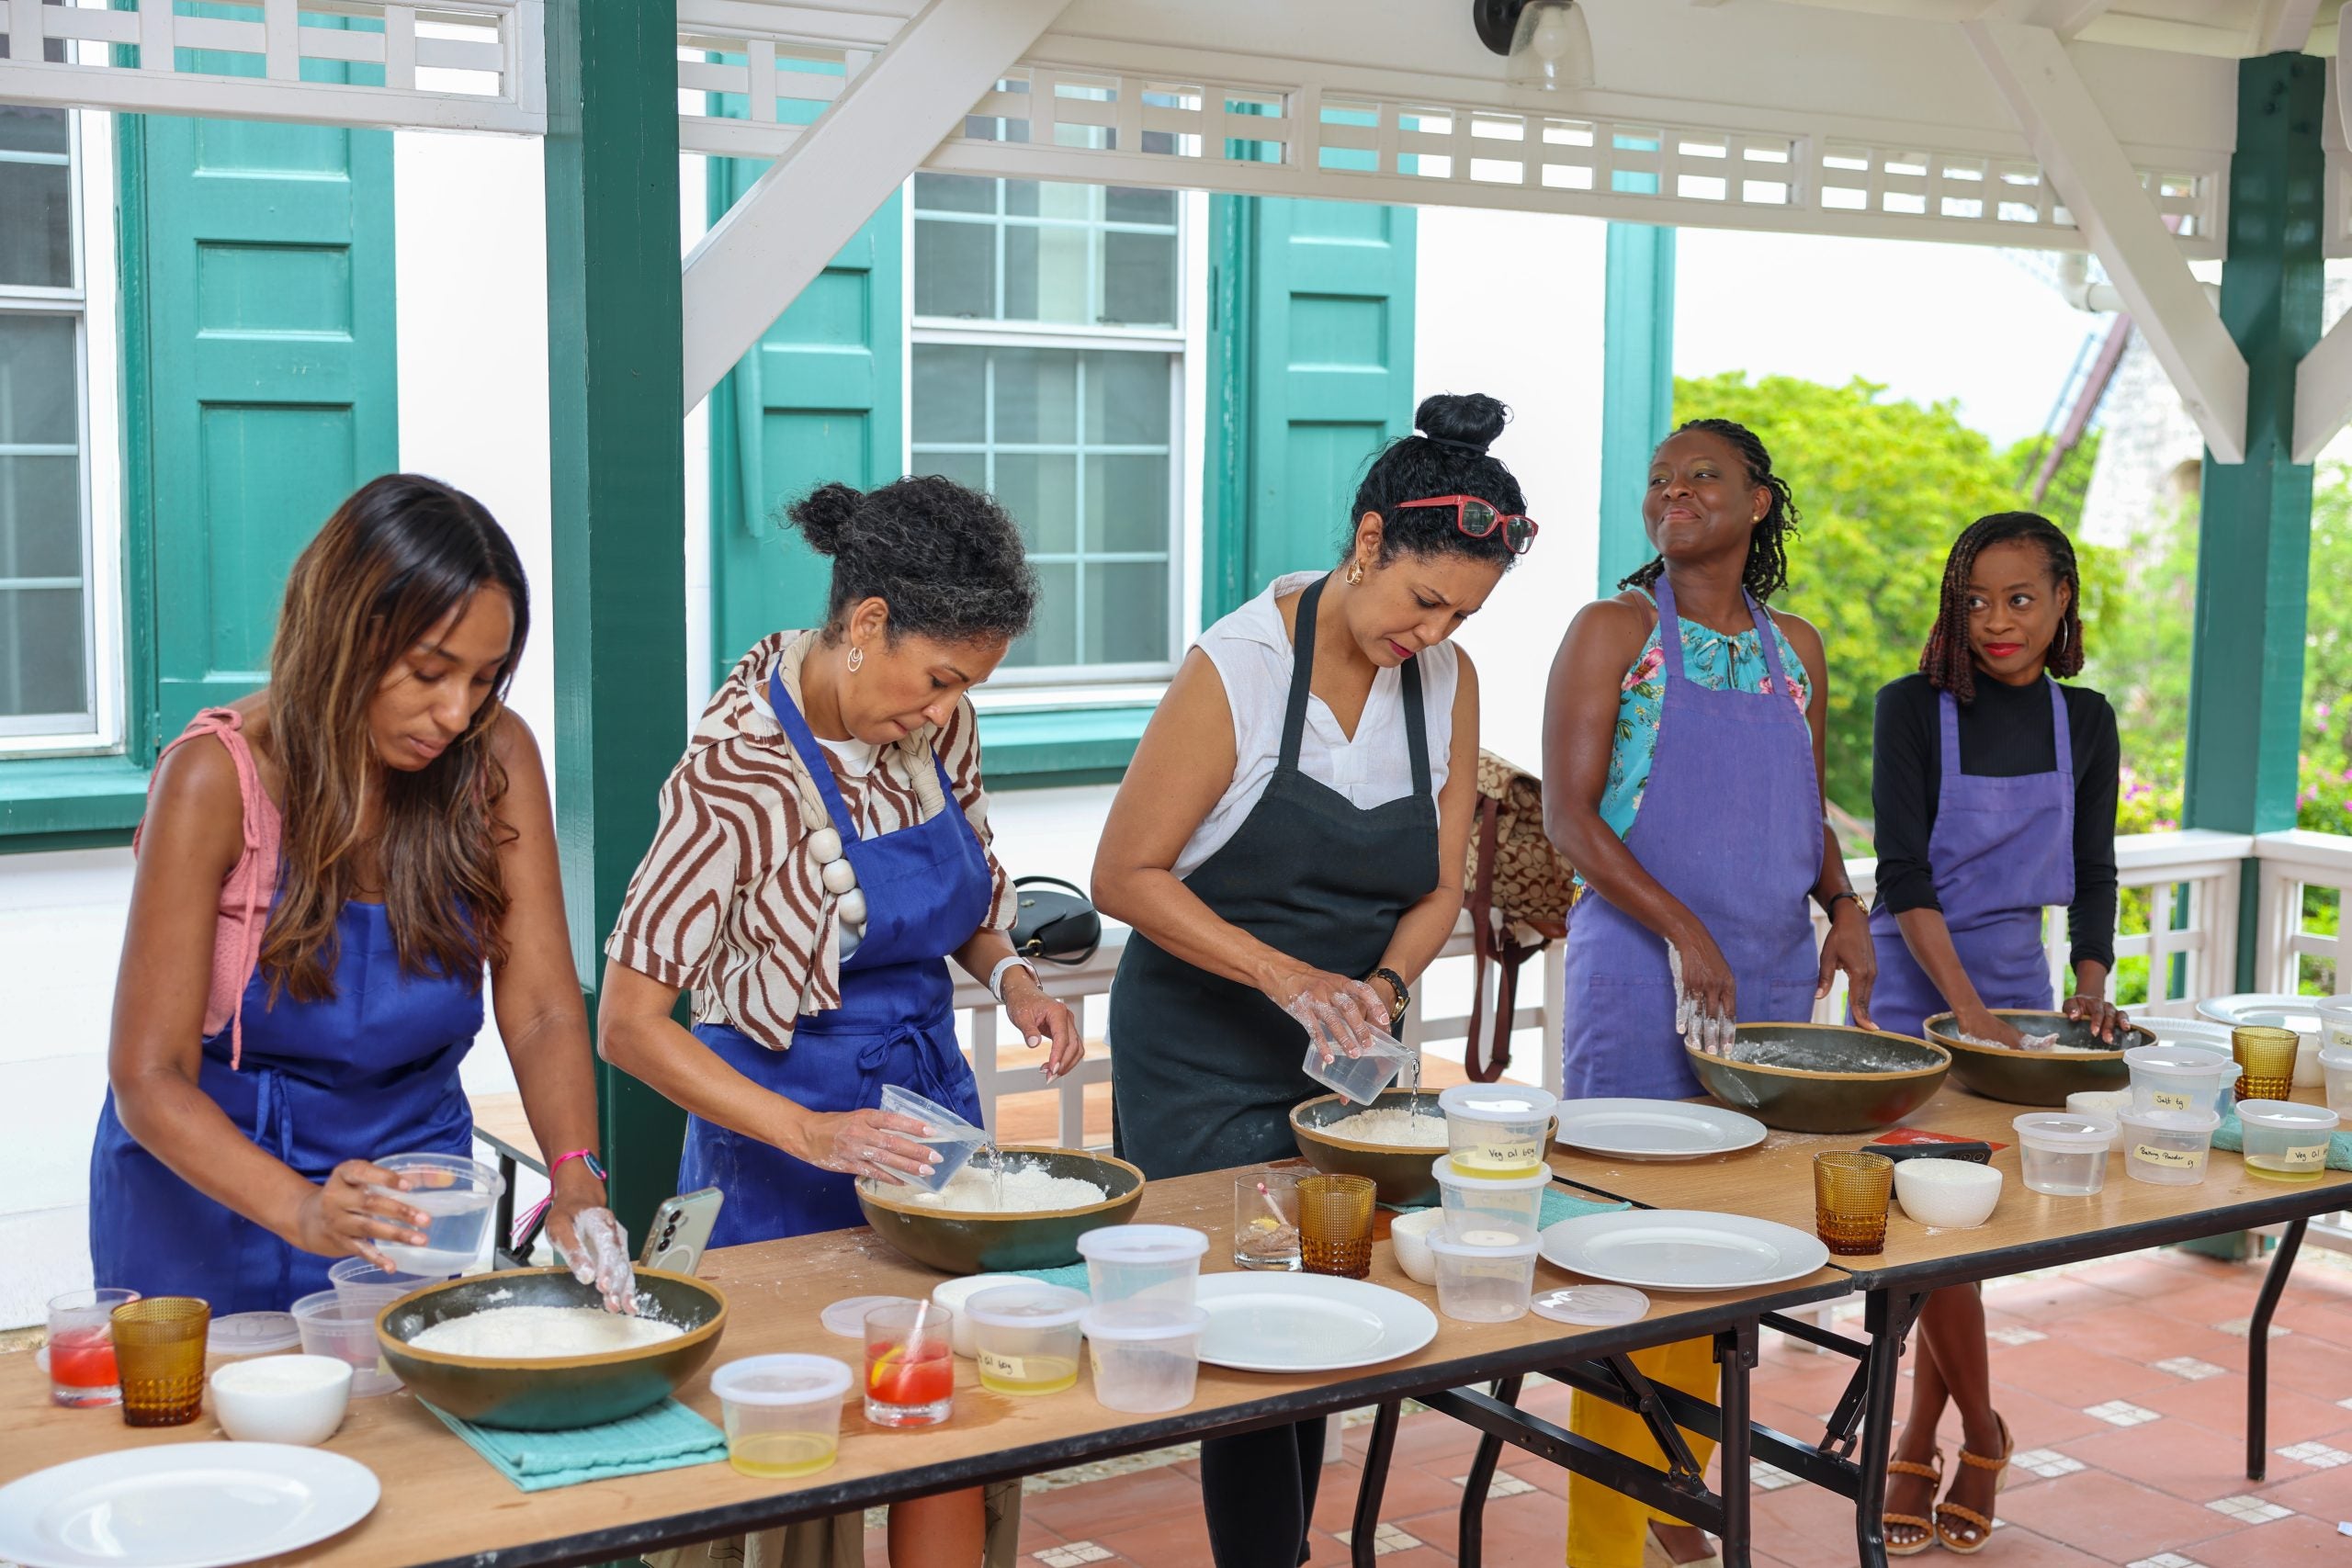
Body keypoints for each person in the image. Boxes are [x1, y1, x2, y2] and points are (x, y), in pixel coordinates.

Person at [600, 476, 1081, 1568]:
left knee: (945, 1413)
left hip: (925, 1125)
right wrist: (812, 1134)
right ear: (867, 626)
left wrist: (1011, 980)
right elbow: (628, 1024)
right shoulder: (735, 778)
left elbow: (968, 900)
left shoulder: (934, 731)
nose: (945, 707)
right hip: (779, 1145)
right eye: (938, 678)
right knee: (797, 1456)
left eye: (967, 687)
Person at [1092, 392, 1531, 1568]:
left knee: (1328, 1309)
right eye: (1423, 600)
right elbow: (1123, 876)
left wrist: (1380, 989)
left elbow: (1440, 885)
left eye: (1462, 615)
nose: (1433, 634)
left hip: (1340, 1052)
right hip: (1198, 1044)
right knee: (1247, 1336)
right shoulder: (1236, 667)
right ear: (1369, 541)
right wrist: (1285, 976)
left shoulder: (1446, 679)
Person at [94, 475, 634, 1318]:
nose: (456, 712)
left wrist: (576, 1175)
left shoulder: (495, 762)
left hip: (410, 1197)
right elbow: (147, 1074)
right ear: (347, 634)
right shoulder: (213, 781)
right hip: (209, 1201)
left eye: (485, 679)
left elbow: (539, 1008)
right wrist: (302, 1208)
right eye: (428, 671)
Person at [1543, 418, 1874, 1568]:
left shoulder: (1797, 649)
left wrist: (1846, 906)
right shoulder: (1613, 631)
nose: (1672, 491)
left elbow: (1807, 807)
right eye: (1657, 477)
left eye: (1702, 475)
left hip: (1772, 984)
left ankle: (1679, 1496)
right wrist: (1682, 930)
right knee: (1628, 1257)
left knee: (1732, 1250)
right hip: (1642, 976)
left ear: (1760, 501)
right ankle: (1606, 1535)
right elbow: (1568, 819)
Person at [1868, 511, 2121, 1555]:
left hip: (2016, 1002)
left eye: (2019, 599)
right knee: (1932, 1237)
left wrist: (2091, 986)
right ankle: (1973, 1435)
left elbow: (2095, 868)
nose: (1995, 622)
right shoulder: (1911, 709)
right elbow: (1903, 875)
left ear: (2062, 599)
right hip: (1908, 999)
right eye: (1974, 601)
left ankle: (1917, 1440)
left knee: (1956, 1242)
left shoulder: (2087, 719)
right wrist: (1959, 1013)